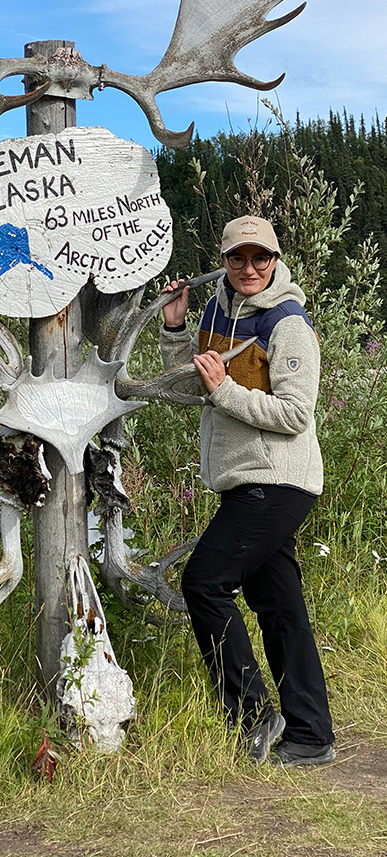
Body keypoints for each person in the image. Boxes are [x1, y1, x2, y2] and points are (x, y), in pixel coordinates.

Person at [160, 215, 335, 767]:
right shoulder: (215, 309)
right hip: (246, 481)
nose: (249, 268)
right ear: (225, 258)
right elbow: (191, 387)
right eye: (238, 258)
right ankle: (309, 736)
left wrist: (226, 390)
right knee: (279, 605)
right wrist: (175, 329)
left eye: (260, 258)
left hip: (277, 479)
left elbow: (294, 414)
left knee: (204, 584)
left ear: (276, 258)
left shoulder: (289, 325)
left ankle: (255, 718)